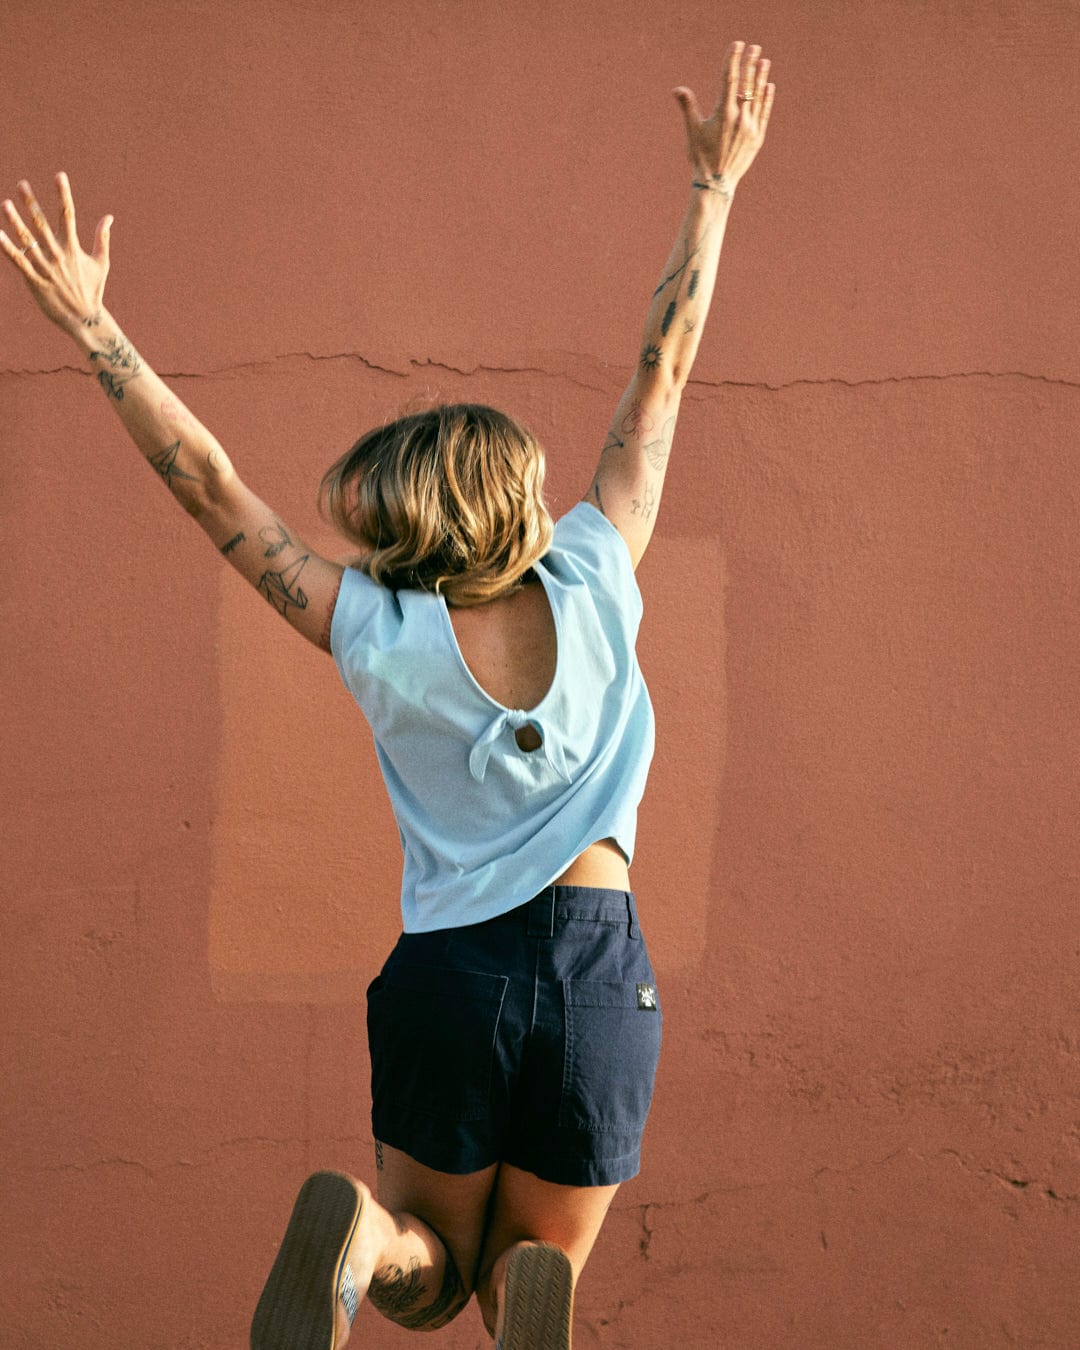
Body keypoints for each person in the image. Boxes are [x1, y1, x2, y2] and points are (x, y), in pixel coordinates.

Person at [2, 39, 774, 1350]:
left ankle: (368, 1241)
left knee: (432, 1279)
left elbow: (211, 488)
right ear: (514, 493)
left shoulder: (379, 629)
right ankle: (538, 1289)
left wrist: (95, 328)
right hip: (597, 963)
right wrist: (714, 189)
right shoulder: (595, 568)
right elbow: (662, 378)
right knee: (535, 1267)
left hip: (451, 973)